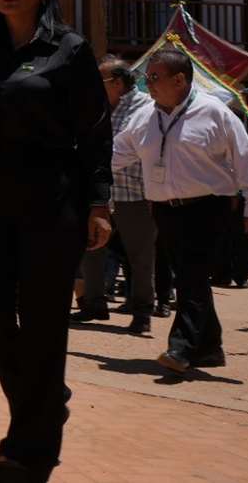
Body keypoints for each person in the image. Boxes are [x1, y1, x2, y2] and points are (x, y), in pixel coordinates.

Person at [0, 0, 112, 483]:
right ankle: (44, 399)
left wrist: (98, 201)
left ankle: (29, 448)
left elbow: (93, 131)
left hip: (52, 201)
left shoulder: (69, 50)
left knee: (43, 325)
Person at [112, 47, 248, 373]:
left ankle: (181, 348)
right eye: (147, 77)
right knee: (192, 277)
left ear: (180, 79)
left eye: (155, 77)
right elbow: (117, 154)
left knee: (191, 276)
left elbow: (246, 161)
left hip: (209, 208)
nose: (149, 83)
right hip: (164, 210)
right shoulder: (144, 116)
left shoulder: (215, 112)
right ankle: (210, 348)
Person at [73, 57, 157, 334]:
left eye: (100, 82)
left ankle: (142, 311)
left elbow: (134, 149)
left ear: (118, 83)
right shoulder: (98, 108)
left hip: (135, 193)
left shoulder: (146, 108)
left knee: (140, 255)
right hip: (100, 194)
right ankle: (94, 304)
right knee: (93, 248)